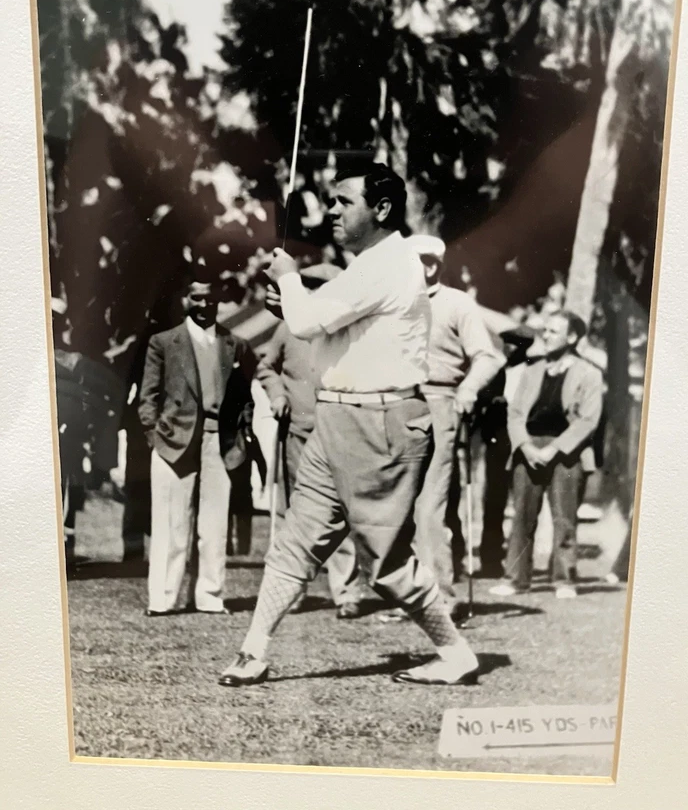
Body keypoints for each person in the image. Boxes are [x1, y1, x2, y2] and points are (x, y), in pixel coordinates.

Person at [219, 159, 479, 687]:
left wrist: (291, 283)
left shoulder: (389, 262)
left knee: (383, 565)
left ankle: (455, 653)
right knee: (295, 540)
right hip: (339, 419)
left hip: (381, 422)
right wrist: (291, 296)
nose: (332, 210)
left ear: (381, 209)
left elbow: (310, 320)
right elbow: (323, 329)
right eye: (332, 201)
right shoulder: (367, 265)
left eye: (344, 202)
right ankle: (254, 650)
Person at [392, 235, 504, 618]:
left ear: (430, 265)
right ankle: (406, 595)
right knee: (396, 506)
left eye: (414, 262)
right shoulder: (393, 304)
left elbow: (488, 358)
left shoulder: (458, 303)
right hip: (394, 406)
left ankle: (440, 596)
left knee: (429, 507)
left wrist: (469, 387)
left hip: (440, 405)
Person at [138, 281, 257, 616]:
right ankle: (163, 598)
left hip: (220, 442)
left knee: (215, 524)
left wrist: (242, 431)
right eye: (196, 298)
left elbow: (244, 396)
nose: (204, 304)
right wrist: (154, 433)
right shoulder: (163, 342)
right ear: (184, 299)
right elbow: (147, 396)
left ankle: (209, 596)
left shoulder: (235, 344)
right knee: (172, 523)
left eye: (211, 299)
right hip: (173, 441)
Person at [255, 283, 364, 618]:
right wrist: (278, 396)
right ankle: (292, 590)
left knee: (340, 511)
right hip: (299, 436)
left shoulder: (346, 329)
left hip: (338, 433)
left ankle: (346, 592)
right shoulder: (287, 328)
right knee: (296, 514)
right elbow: (265, 368)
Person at [490, 311, 603, 599]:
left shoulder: (588, 373)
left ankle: (564, 579)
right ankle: (515, 578)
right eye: (546, 331)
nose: (547, 337)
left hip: (566, 453)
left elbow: (588, 421)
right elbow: (515, 413)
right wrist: (525, 446)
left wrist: (554, 448)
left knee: (565, 518)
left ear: (572, 337)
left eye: (554, 331)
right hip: (528, 449)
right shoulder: (532, 370)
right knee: (522, 517)